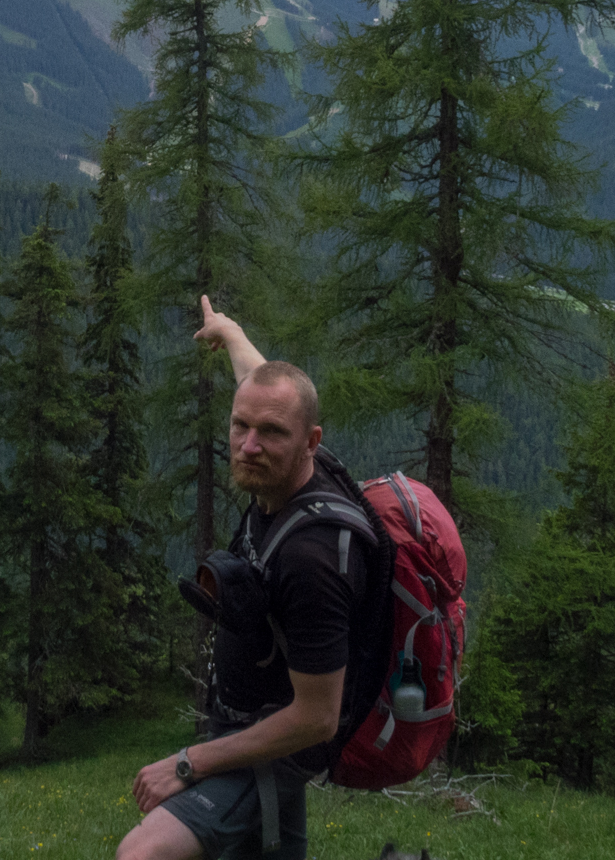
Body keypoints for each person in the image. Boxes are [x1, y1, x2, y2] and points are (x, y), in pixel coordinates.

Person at [116, 297, 376, 860]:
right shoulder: (296, 462)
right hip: (247, 724)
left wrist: (187, 763)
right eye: (239, 425)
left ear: (311, 441)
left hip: (274, 743)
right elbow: (262, 386)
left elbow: (316, 718)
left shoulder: (314, 559)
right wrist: (230, 333)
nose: (249, 446)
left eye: (270, 434)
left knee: (142, 853)